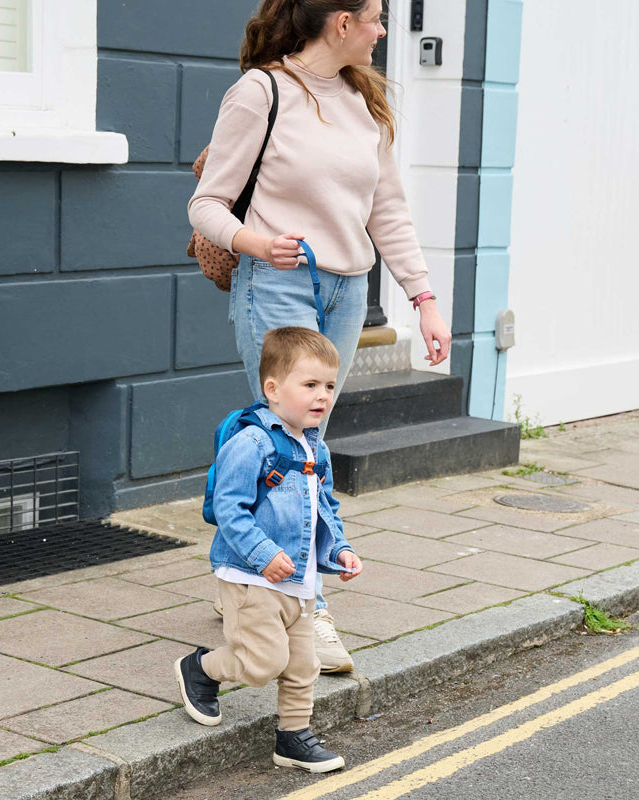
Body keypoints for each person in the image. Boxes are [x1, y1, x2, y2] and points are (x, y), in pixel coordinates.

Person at [188, 0, 451, 672]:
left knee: (299, 443)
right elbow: (206, 204)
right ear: (340, 22)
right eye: (376, 17)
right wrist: (256, 243)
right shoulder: (262, 92)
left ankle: (238, 564)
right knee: (294, 448)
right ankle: (312, 610)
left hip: (344, 288)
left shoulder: (364, 103)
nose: (384, 31)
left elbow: (387, 209)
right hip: (276, 282)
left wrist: (423, 298)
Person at [174, 327, 363, 773]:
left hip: (299, 581)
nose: (323, 396)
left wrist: (339, 550)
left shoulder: (319, 447)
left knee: (303, 665)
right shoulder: (252, 443)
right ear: (273, 389)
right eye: (310, 385)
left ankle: (293, 738)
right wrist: (262, 553)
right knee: (263, 663)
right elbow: (229, 506)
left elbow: (324, 509)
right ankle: (201, 669)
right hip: (251, 577)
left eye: (330, 386)